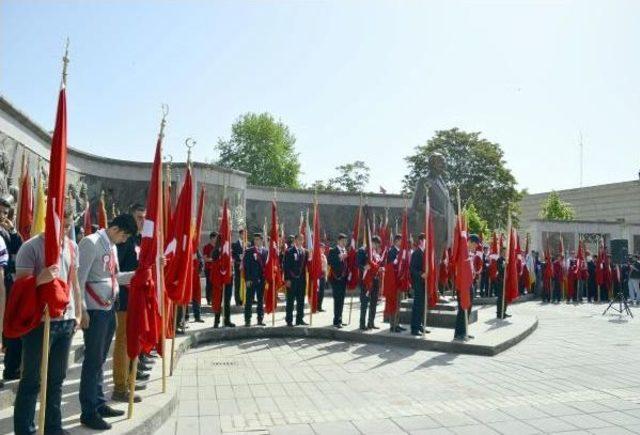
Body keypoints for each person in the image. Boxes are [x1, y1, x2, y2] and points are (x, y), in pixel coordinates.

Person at [13, 207, 82, 435]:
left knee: (57, 378)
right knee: (32, 379)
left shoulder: (72, 247)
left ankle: (52, 426)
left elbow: (74, 281)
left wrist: (79, 312)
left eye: (67, 223)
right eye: (59, 223)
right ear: (47, 221)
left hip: (66, 320)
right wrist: (40, 279)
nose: (62, 228)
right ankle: (26, 429)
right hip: (39, 321)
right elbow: (20, 288)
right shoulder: (30, 247)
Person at [78, 214, 137, 430]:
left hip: (108, 307)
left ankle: (99, 402)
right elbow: (79, 278)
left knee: (101, 359)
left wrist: (137, 274)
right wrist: (81, 309)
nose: (124, 240)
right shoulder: (90, 242)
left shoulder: (111, 246)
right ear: (116, 229)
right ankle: (88, 410)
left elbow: (116, 276)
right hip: (93, 311)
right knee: (92, 360)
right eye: (124, 235)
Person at [113, 204, 148, 405]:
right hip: (124, 297)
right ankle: (120, 386)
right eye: (138, 217)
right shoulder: (125, 242)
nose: (141, 221)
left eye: (143, 218)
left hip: (135, 296)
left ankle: (129, 380)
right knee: (123, 340)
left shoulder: (136, 240)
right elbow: (119, 270)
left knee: (131, 338)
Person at [0, 195, 23, 382]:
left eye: (5, 212)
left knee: (12, 327)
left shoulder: (6, 232)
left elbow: (20, 250)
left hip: (7, 284)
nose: (2, 215)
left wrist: (13, 231)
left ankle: (11, 368)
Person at [454, 234, 480, 341]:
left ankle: (465, 331)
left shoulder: (469, 253)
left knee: (468, 308)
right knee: (462, 309)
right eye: (475, 245)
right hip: (462, 286)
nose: (475, 248)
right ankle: (458, 333)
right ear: (471, 242)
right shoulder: (462, 253)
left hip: (470, 284)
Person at [209, 231, 236, 329]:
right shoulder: (216, 251)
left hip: (228, 278)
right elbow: (215, 263)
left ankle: (227, 320)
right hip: (219, 280)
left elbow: (232, 262)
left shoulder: (229, 249)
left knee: (227, 301)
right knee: (218, 301)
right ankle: (216, 321)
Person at [358, 235, 383, 330]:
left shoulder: (375, 253)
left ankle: (371, 322)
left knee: (374, 302)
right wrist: (364, 267)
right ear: (372, 242)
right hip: (366, 280)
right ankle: (362, 323)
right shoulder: (363, 250)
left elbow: (375, 265)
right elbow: (358, 263)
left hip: (375, 280)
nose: (377, 246)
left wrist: (380, 269)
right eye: (376, 244)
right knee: (364, 302)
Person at [243, 233, 267, 326]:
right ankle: (247, 320)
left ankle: (260, 319)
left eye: (258, 239)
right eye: (255, 239)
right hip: (251, 280)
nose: (256, 241)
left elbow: (266, 266)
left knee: (260, 301)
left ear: (261, 240)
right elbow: (246, 266)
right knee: (249, 300)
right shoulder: (249, 251)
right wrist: (247, 279)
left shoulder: (265, 251)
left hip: (262, 280)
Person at [284, 234, 307, 326]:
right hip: (292, 280)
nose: (301, 241)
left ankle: (299, 319)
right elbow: (286, 266)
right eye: (299, 239)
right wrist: (287, 279)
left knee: (301, 300)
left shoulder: (304, 252)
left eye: (302, 240)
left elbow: (305, 267)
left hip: (301, 281)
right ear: (295, 240)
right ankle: (289, 320)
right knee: (290, 301)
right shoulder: (289, 251)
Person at [327, 233, 348, 328]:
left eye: (345, 241)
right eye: (343, 241)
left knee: (342, 299)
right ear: (338, 241)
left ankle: (340, 318)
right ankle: (336, 320)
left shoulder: (345, 251)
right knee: (337, 299)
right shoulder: (333, 251)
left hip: (343, 279)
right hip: (335, 279)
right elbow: (330, 261)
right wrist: (339, 257)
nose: (344, 243)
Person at [410, 234, 427, 336]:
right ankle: (414, 328)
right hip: (418, 283)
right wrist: (421, 274)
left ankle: (420, 325)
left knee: (422, 306)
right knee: (417, 306)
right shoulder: (417, 253)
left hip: (424, 283)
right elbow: (412, 269)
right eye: (425, 240)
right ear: (421, 241)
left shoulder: (424, 253)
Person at [202, 232, 217, 305]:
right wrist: (213, 259)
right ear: (211, 238)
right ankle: (208, 299)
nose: (216, 239)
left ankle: (214, 298)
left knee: (215, 284)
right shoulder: (206, 247)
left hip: (216, 269)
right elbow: (205, 259)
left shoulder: (218, 247)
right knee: (209, 284)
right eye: (215, 238)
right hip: (209, 269)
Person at [231, 229, 245, 306]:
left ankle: (244, 299)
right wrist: (238, 259)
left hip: (246, 268)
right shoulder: (235, 244)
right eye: (243, 234)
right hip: (238, 267)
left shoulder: (248, 244)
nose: (244, 236)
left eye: (245, 234)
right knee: (238, 284)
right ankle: (237, 300)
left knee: (245, 284)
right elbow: (233, 256)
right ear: (240, 234)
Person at [318, 244, 328, 312]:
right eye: (322, 248)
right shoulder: (317, 256)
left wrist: (326, 276)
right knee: (318, 292)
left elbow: (326, 267)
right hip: (319, 276)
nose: (323, 249)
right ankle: (316, 306)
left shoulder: (324, 256)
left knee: (322, 292)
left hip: (323, 275)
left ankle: (320, 306)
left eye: (324, 248)